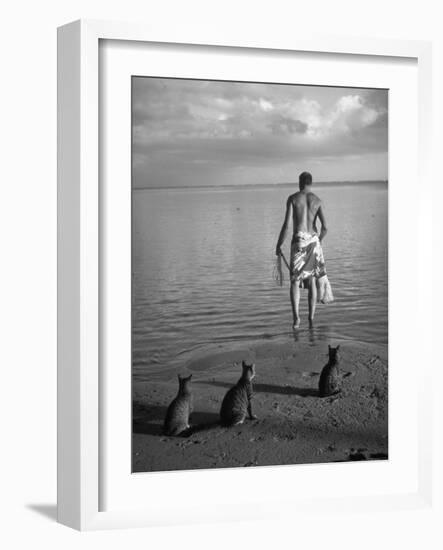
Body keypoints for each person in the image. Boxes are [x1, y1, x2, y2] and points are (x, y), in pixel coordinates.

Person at [275, 172, 328, 329]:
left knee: (295, 280)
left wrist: (278, 245)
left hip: (298, 240)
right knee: (311, 279)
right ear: (311, 183)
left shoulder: (293, 198)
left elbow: (286, 225)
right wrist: (319, 241)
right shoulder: (317, 201)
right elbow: (325, 228)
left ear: (300, 183)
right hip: (312, 241)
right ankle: (311, 318)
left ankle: (296, 318)